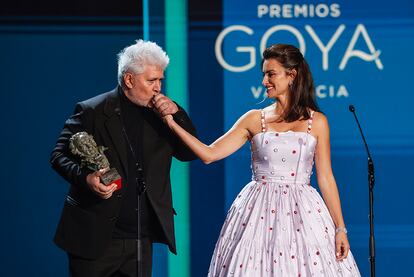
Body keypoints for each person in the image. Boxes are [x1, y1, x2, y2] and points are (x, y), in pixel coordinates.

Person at [163, 44, 361, 276]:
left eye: (271, 74)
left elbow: (326, 177)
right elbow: (209, 154)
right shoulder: (254, 119)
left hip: (304, 214)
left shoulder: (316, 122)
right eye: (264, 74)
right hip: (257, 213)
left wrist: (340, 228)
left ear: (292, 75)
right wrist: (171, 122)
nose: (264, 81)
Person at [50, 39, 197, 277]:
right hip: (94, 236)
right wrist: (87, 178)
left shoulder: (165, 113)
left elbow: (188, 153)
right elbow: (58, 155)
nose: (158, 87)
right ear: (129, 80)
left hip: (140, 237)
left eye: (160, 80)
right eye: (152, 80)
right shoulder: (92, 111)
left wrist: (177, 115)